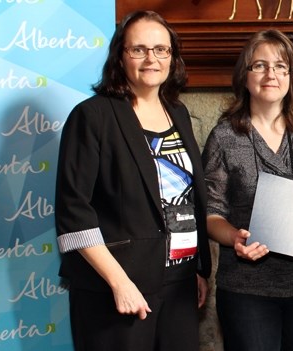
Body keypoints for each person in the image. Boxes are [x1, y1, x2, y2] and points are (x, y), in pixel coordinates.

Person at [54, 10, 211, 351]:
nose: (151, 58)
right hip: (119, 288)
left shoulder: (178, 113)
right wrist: (119, 282)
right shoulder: (93, 116)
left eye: (161, 49)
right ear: (120, 56)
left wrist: (196, 269)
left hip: (180, 284)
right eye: (138, 49)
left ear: (173, 57)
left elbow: (188, 199)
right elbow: (73, 211)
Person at [202, 29, 293, 351]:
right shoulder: (224, 135)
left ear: (291, 76)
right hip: (246, 290)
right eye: (260, 65)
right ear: (245, 75)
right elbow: (211, 214)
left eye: (281, 66)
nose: (271, 74)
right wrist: (235, 237)